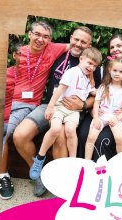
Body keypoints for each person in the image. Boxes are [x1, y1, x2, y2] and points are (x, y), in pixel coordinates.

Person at [11, 26, 97, 197]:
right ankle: (40, 176)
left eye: (83, 42)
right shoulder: (55, 52)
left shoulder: (91, 65)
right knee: (19, 136)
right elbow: (35, 46)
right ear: (70, 38)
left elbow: (96, 96)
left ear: (89, 45)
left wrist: (81, 106)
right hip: (49, 104)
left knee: (60, 135)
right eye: (76, 39)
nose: (78, 44)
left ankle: (63, 183)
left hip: (73, 111)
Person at [0, 21, 70, 200]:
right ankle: (3, 175)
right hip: (9, 102)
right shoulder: (19, 53)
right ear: (29, 34)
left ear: (50, 40)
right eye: (37, 34)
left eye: (45, 36)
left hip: (26, 105)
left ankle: (33, 174)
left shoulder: (52, 49)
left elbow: (77, 44)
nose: (40, 39)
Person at [28, 47, 102, 180]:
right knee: (55, 129)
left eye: (95, 66)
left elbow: (93, 92)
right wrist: (50, 107)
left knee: (70, 130)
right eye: (89, 63)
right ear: (81, 59)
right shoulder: (72, 72)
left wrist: (100, 91)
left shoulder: (87, 78)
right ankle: (40, 158)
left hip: (73, 111)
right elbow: (60, 89)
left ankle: (72, 162)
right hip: (60, 106)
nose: (91, 67)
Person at [85, 57, 122, 160]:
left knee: (119, 138)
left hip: (115, 117)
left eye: (121, 71)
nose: (117, 73)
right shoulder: (104, 87)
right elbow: (96, 102)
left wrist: (118, 118)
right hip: (101, 115)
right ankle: (87, 162)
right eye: (115, 70)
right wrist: (95, 117)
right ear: (109, 70)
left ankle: (120, 161)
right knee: (91, 138)